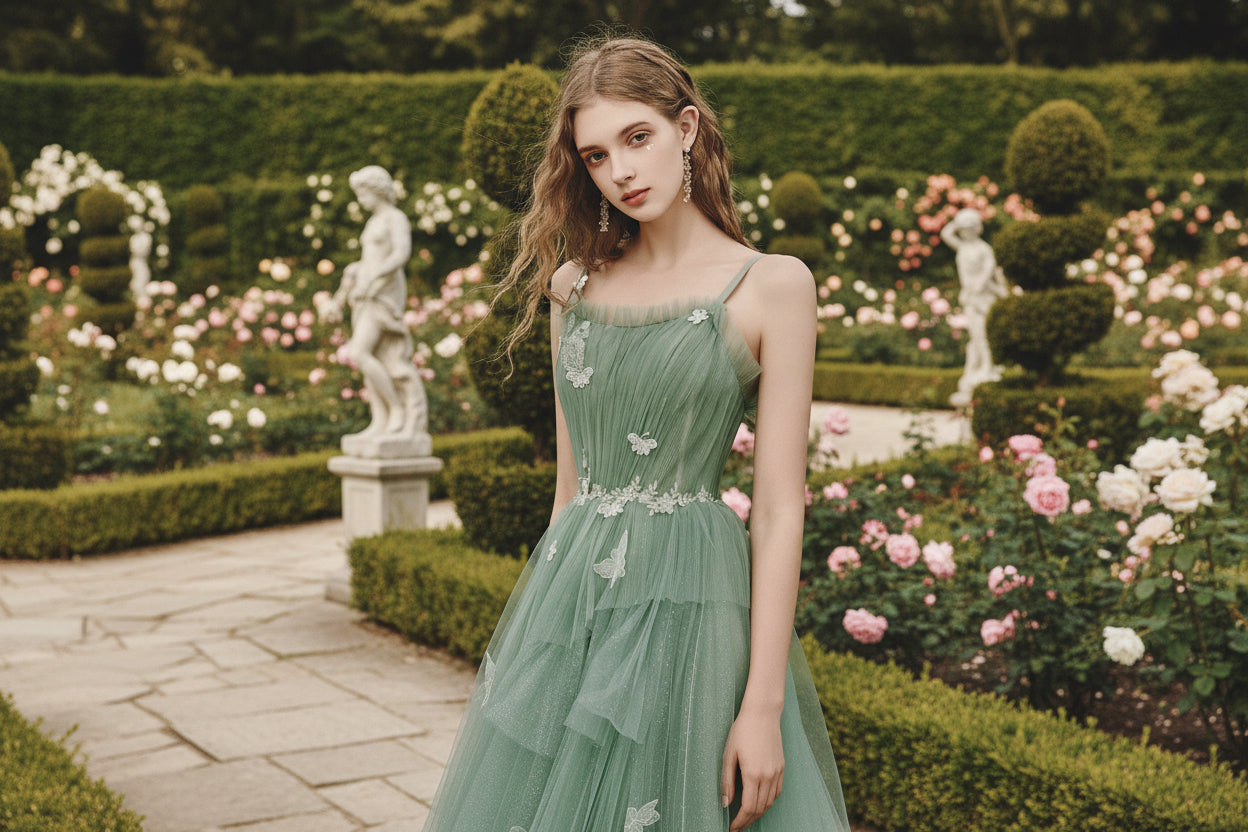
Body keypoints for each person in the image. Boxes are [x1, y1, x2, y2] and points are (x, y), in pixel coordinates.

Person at [422, 37, 851, 832]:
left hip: (692, 600)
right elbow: (569, 490)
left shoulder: (771, 285)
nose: (619, 170)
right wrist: (541, 646)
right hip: (573, 594)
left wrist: (761, 708)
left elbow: (781, 509)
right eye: (594, 154)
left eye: (637, 137)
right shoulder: (571, 286)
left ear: (686, 128)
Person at [322, 165, 426, 438]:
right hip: (364, 296)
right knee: (373, 356)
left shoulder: (395, 217)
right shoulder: (372, 222)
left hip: (383, 294)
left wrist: (373, 277)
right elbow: (367, 261)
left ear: (377, 189)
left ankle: (397, 410)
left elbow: (401, 254)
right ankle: (380, 421)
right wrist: (346, 287)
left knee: (359, 352)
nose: (359, 199)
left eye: (362, 192)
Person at [941, 206, 1008, 407]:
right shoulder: (963, 247)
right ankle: (980, 367)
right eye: (963, 229)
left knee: (982, 333)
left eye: (968, 228)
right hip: (970, 298)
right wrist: (960, 220)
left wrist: (977, 288)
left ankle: (987, 367)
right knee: (976, 335)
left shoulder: (984, 249)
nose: (964, 232)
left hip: (982, 297)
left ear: (976, 229)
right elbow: (945, 233)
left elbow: (987, 275)